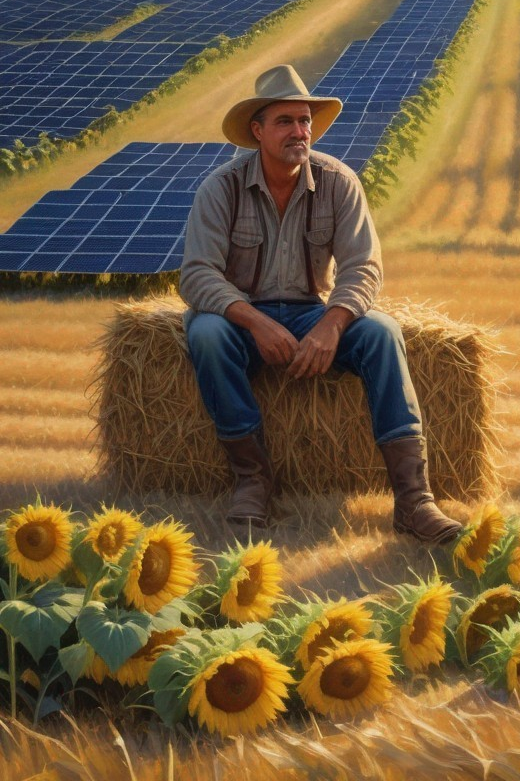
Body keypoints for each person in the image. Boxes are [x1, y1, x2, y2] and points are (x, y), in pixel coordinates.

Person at [179, 64, 461, 544]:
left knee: (382, 333)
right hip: (244, 318)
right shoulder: (220, 189)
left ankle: (414, 499)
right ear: (258, 130)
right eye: (285, 121)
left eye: (305, 121)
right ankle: (253, 479)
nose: (299, 131)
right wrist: (254, 322)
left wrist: (331, 325)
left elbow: (363, 267)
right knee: (205, 333)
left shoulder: (338, 181)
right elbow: (197, 273)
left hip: (314, 311)